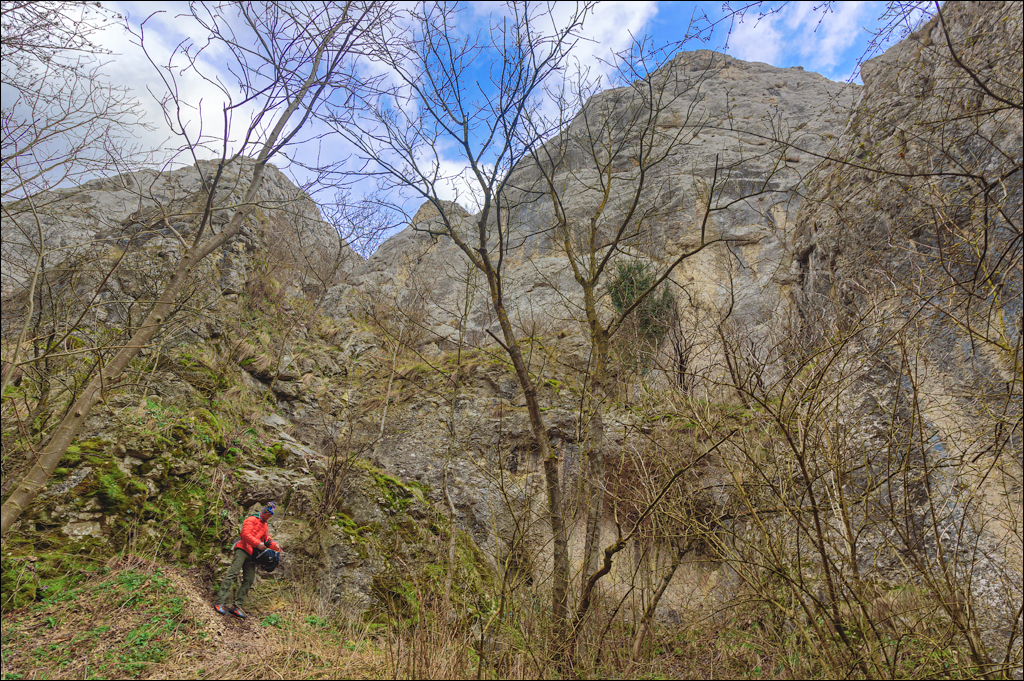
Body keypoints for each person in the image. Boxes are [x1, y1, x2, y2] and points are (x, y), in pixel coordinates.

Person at [215, 502, 280, 619]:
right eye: (268, 515)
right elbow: (245, 534)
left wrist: (275, 546)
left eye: (271, 516)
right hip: (242, 549)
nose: (269, 517)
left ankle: (236, 607)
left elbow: (267, 539)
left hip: (253, 555)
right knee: (233, 573)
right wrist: (257, 544)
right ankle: (220, 601)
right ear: (264, 512)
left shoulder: (265, 525)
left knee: (249, 579)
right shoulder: (251, 519)